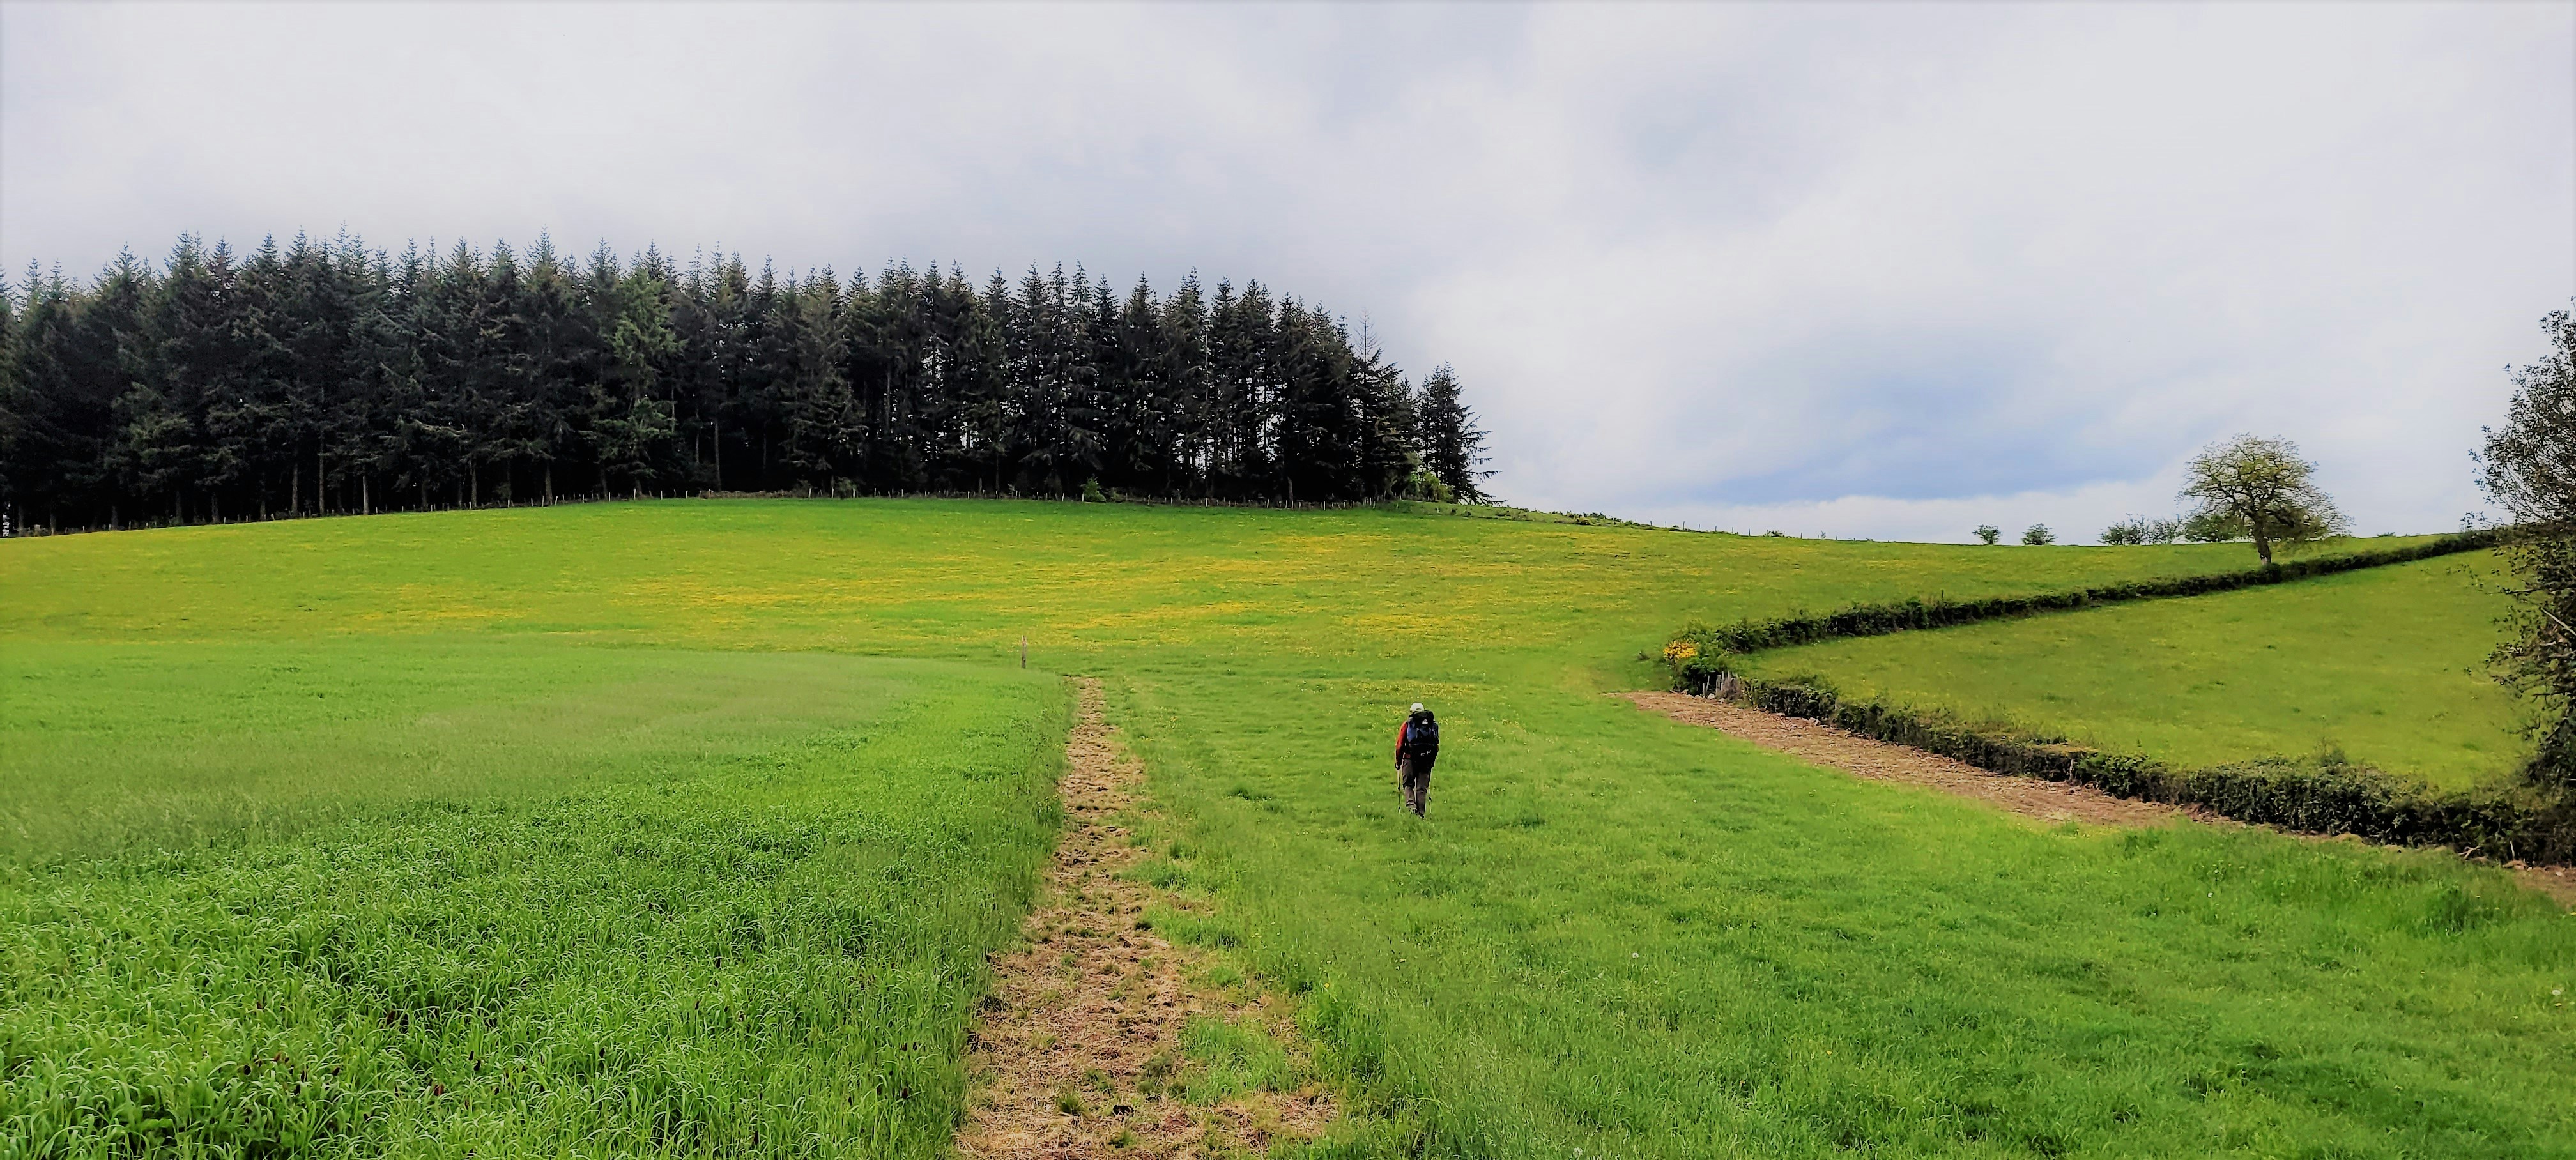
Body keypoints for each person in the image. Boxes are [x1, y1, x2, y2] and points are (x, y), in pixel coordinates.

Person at [1394, 702, 1439, 816]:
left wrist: (1398, 762)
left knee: (1408, 784)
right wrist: (1431, 761)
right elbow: (1436, 746)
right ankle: (1421, 814)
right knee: (1422, 788)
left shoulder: (1408, 725)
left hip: (1409, 759)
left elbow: (1400, 745)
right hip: (1426, 761)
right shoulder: (1431, 725)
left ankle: (1411, 805)